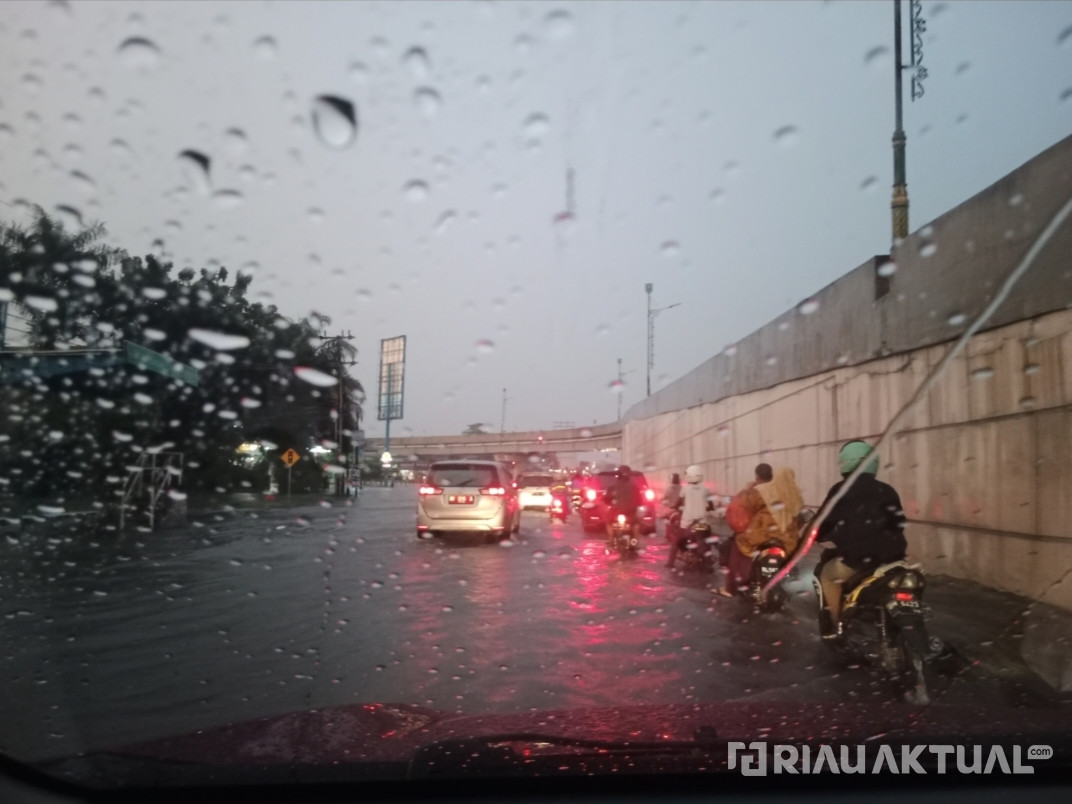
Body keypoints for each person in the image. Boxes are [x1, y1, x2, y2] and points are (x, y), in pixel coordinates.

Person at [814, 440, 907, 638]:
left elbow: (823, 524)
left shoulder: (840, 490)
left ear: (846, 462)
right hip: (894, 561)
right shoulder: (887, 490)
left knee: (828, 576)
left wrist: (819, 535)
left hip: (859, 560)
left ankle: (837, 625)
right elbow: (899, 524)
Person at [720, 463, 804, 597]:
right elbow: (800, 519)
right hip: (788, 542)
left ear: (757, 475)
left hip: (761, 535)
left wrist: (740, 526)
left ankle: (730, 587)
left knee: (739, 544)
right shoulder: (795, 496)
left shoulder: (759, 491)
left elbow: (738, 510)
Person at [665, 464, 710, 568]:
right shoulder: (705, 489)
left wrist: (674, 505)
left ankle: (670, 563)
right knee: (703, 541)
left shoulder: (685, 489)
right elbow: (710, 504)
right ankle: (708, 564)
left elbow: (678, 502)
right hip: (701, 522)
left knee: (676, 541)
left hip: (687, 522)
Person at [603, 464, 642, 553]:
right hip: (630, 513)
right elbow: (639, 501)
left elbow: (606, 499)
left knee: (609, 522)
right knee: (635, 525)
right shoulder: (634, 487)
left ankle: (611, 539)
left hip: (616, 512)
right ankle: (636, 542)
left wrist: (611, 503)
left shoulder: (612, 486)